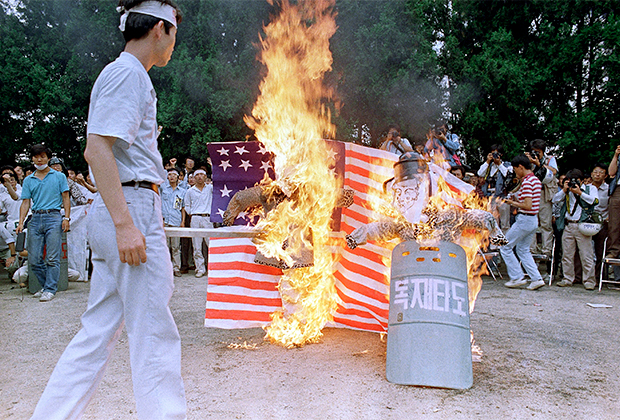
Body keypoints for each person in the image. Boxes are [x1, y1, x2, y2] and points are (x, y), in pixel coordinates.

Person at [30, 1, 186, 419]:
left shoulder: (127, 74)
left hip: (126, 203)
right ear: (159, 29)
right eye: (174, 34)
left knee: (96, 333)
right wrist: (125, 224)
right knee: (153, 332)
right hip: (129, 205)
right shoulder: (126, 74)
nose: (174, 46)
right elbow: (96, 148)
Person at [16, 144, 71, 302]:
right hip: (35, 218)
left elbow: (66, 197)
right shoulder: (29, 179)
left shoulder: (58, 176)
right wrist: (21, 222)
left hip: (53, 216)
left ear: (48, 157)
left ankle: (50, 289)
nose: (39, 160)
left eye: (42, 156)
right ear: (32, 158)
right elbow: (25, 202)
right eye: (36, 157)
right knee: (34, 259)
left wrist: (66, 218)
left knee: (53, 257)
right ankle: (45, 285)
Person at [500, 154, 546, 290]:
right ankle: (536, 278)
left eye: (515, 169)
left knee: (504, 246)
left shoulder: (526, 182)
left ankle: (517, 277)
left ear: (520, 167)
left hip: (525, 218)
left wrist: (511, 202)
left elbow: (527, 205)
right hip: (532, 220)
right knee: (523, 250)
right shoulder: (535, 180)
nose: (515, 172)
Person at [553, 169, 599, 289]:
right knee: (567, 255)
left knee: (586, 255)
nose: (573, 183)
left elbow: (595, 201)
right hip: (568, 225)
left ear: (582, 180)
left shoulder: (590, 188)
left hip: (583, 225)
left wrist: (580, 192)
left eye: (576, 181)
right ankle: (567, 278)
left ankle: (589, 281)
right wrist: (564, 190)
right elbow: (555, 200)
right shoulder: (567, 191)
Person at [526, 139, 558, 258]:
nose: (535, 154)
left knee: (545, 224)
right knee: (532, 223)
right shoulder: (528, 159)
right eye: (533, 151)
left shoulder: (550, 159)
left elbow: (553, 172)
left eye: (537, 152)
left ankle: (546, 250)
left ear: (542, 152)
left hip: (544, 194)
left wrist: (539, 163)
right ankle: (531, 249)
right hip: (531, 194)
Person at [183, 168, 213, 277]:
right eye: (197, 175)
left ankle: (213, 268)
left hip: (207, 218)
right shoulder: (190, 191)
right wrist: (192, 213)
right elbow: (186, 205)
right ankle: (200, 269)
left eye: (202, 174)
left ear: (205, 176)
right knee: (196, 245)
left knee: (211, 244)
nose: (200, 177)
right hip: (195, 218)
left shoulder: (210, 188)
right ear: (194, 177)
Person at [161, 166, 186, 277]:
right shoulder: (163, 189)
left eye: (174, 175)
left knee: (176, 246)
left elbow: (183, 207)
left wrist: (183, 222)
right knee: (165, 246)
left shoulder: (182, 191)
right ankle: (165, 269)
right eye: (170, 175)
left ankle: (176, 268)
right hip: (164, 220)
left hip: (176, 220)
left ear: (178, 178)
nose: (172, 177)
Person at [607, 145, 620, 261]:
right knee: (614, 223)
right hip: (618, 189)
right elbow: (611, 172)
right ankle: (614, 250)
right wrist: (616, 155)